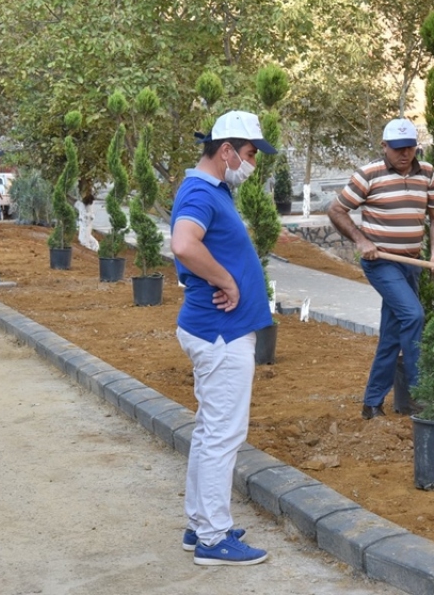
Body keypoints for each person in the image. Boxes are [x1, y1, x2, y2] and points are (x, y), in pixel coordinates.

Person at [169, 110, 277, 566]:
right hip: (220, 334)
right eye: (251, 153)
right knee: (223, 435)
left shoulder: (214, 190)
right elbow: (183, 244)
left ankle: (201, 526)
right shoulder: (200, 191)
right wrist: (228, 282)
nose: (254, 163)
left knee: (211, 431)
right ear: (227, 150)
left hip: (219, 333)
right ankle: (213, 540)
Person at [328, 119, 434, 420]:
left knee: (393, 334)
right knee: (414, 314)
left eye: (409, 148)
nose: (404, 154)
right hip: (381, 263)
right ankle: (422, 396)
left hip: (412, 264)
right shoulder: (369, 175)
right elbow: (336, 210)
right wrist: (361, 239)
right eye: (397, 149)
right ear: (384, 147)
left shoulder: (427, 172)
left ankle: (371, 403)